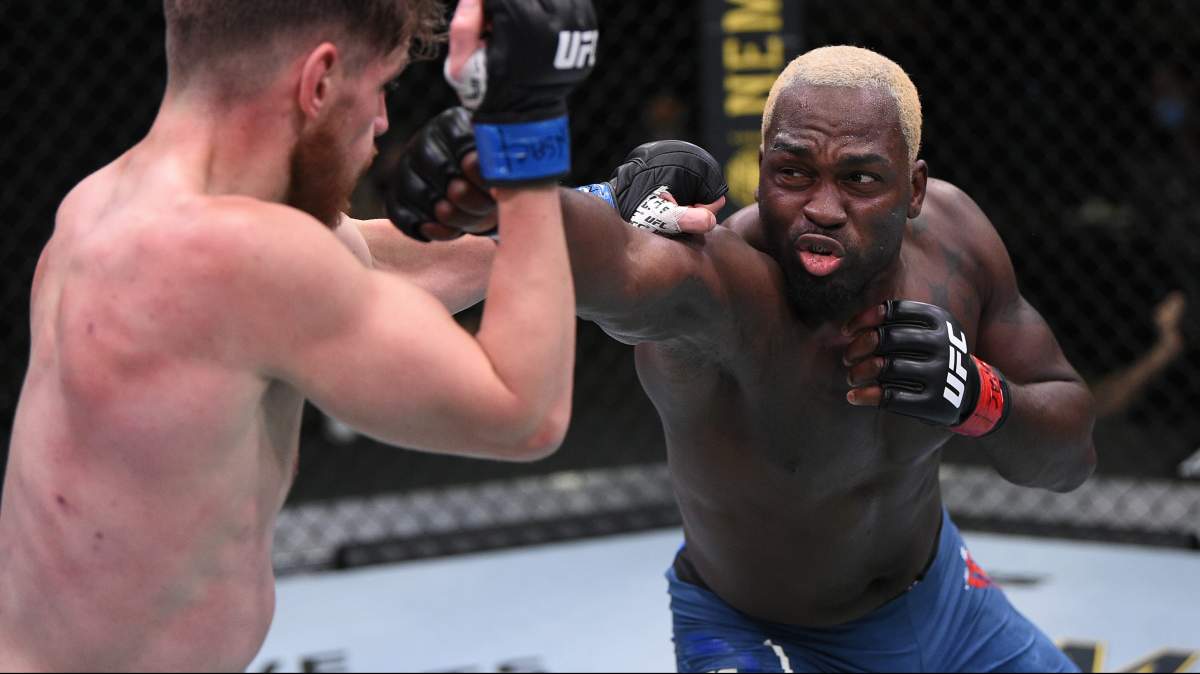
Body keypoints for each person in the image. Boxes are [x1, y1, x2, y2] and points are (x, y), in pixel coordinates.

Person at [392, 45, 1096, 672]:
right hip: (756, 634)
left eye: (859, 179)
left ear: (913, 190)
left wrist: (983, 399)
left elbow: (1072, 458)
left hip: (945, 600)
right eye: (794, 172)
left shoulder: (957, 243)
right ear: (760, 173)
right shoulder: (727, 289)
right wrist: (509, 186)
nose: (822, 208)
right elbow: (620, 264)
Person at [0, 0, 598, 669]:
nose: (383, 122)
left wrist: (606, 214)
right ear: (319, 81)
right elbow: (523, 414)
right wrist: (526, 136)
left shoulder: (112, 201)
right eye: (381, 86)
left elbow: (367, 270)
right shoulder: (228, 256)